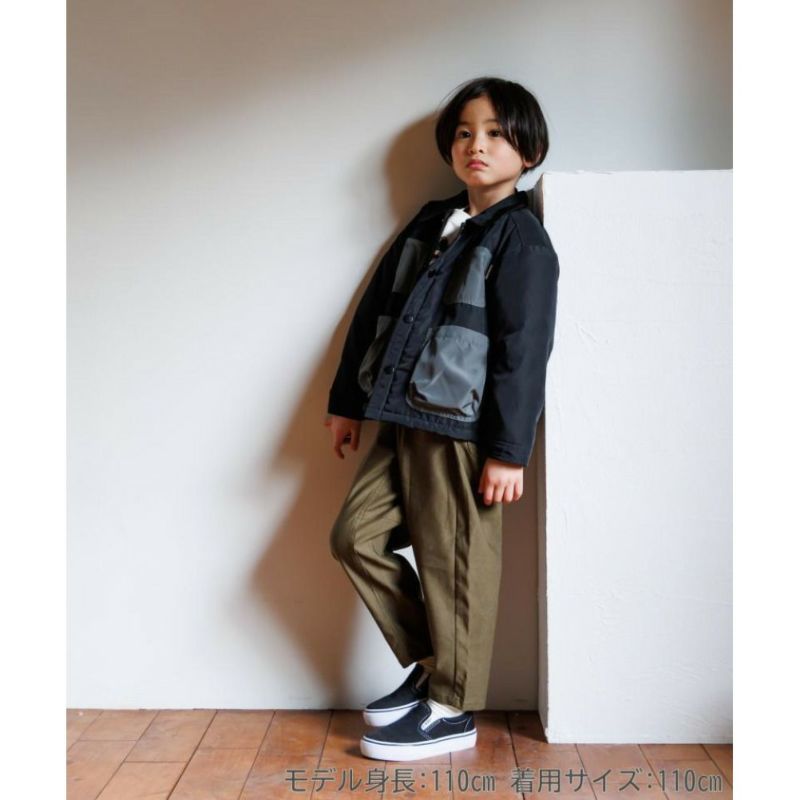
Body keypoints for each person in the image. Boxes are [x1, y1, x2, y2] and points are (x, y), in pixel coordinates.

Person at [324, 76, 559, 762]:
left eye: (494, 133)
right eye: (463, 132)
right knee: (354, 537)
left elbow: (523, 353)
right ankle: (437, 665)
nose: (475, 145)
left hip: (463, 430)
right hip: (401, 414)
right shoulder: (431, 221)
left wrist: (509, 450)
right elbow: (373, 310)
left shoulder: (521, 239)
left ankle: (452, 708)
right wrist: (347, 402)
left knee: (456, 564)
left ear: (528, 150)